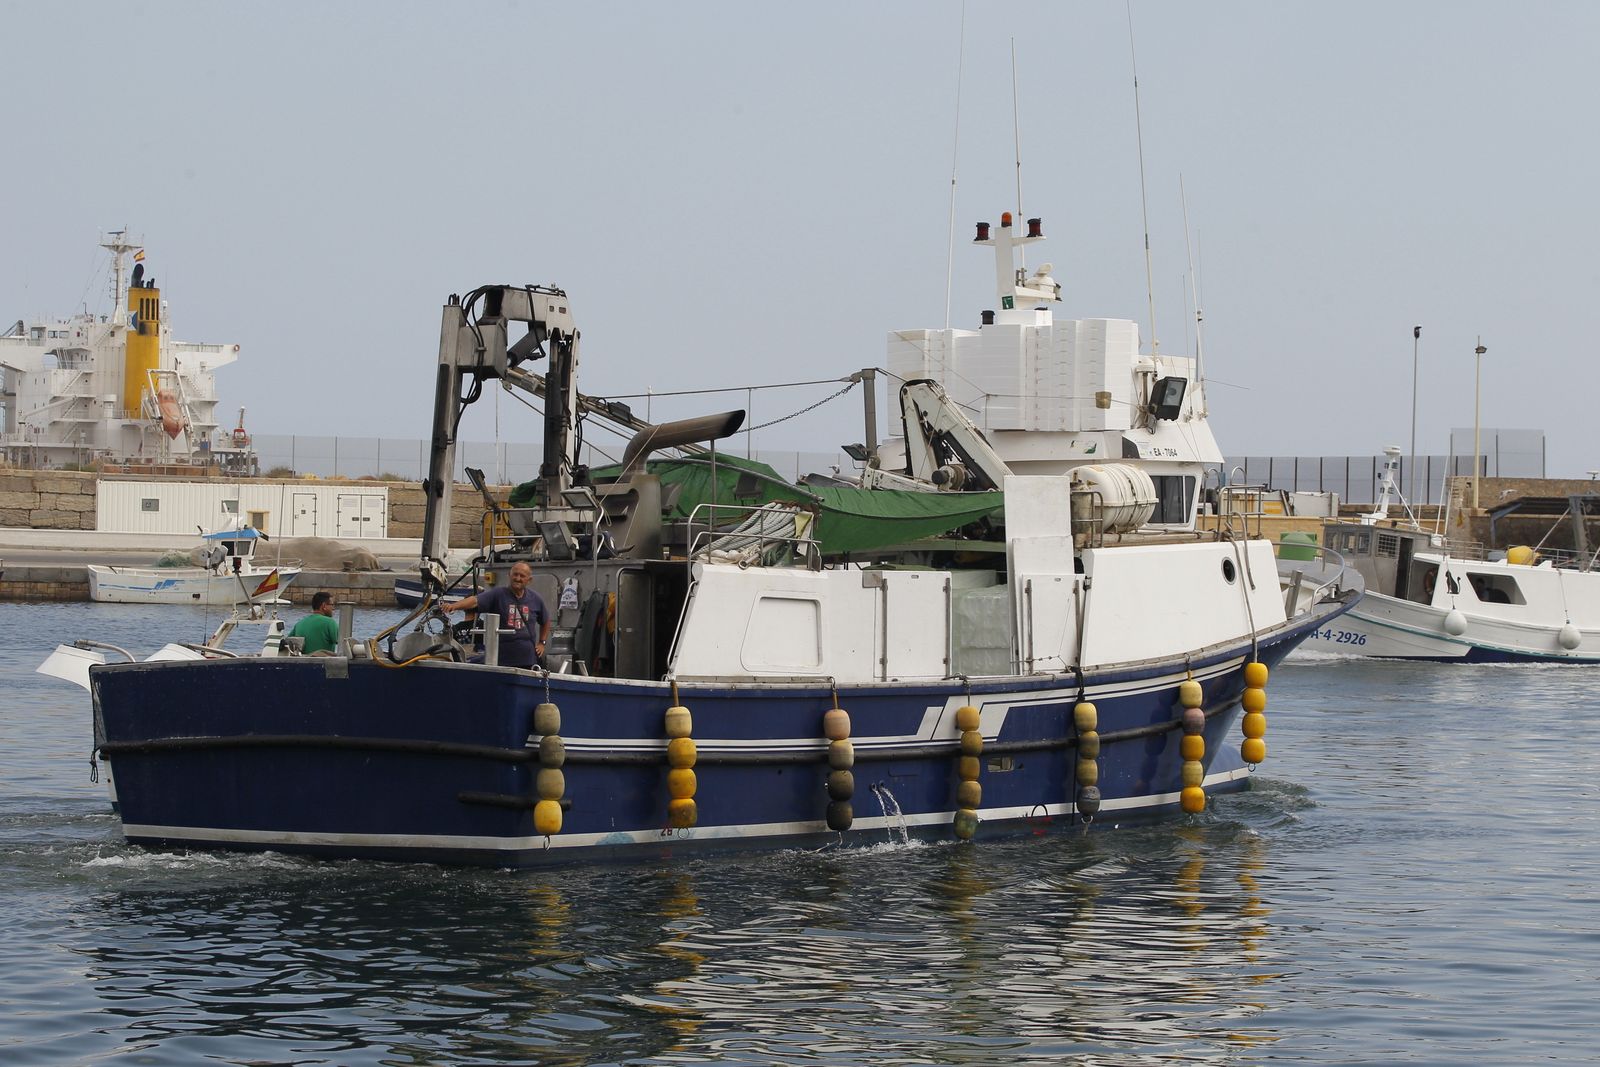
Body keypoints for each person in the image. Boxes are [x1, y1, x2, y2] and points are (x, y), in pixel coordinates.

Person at [439, 561, 551, 668]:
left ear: (529, 580)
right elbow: (475, 601)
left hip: (528, 660)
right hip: (502, 660)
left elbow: (545, 621)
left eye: (522, 576)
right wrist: (454, 606)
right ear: (509, 575)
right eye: (515, 574)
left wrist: (542, 642)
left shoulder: (535, 599)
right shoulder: (498, 594)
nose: (518, 578)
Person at [289, 591, 340, 655]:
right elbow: (344, 643)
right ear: (324, 606)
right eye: (332, 605)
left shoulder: (299, 624)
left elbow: (288, 642)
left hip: (304, 662)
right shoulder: (330, 622)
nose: (333, 608)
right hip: (324, 663)